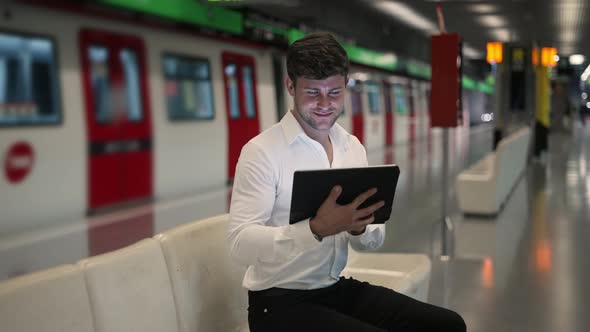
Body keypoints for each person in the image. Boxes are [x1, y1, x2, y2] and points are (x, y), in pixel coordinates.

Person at [228, 31, 466, 332]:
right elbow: (238, 244)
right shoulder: (261, 152)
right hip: (276, 303)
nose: (326, 103)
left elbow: (373, 240)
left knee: (447, 325)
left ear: (346, 85)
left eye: (335, 92)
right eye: (313, 92)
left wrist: (359, 226)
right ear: (290, 86)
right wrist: (314, 230)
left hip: (334, 287)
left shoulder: (351, 147)